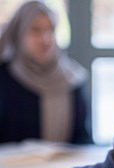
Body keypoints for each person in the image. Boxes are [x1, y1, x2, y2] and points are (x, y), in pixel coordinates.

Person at [0, 1, 92, 144]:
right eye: (35, 30)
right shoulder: (4, 77)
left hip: (63, 166)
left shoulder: (72, 79)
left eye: (51, 30)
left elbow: (83, 140)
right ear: (18, 33)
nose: (45, 39)